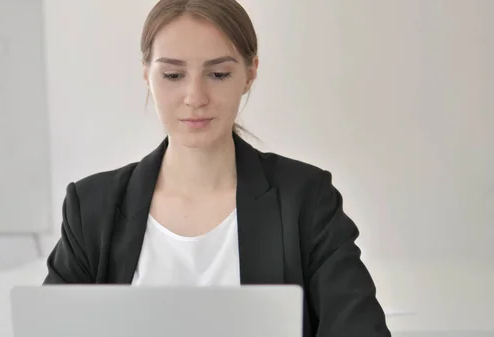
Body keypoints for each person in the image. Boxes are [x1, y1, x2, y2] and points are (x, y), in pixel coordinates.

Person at [43, 0, 391, 336]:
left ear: (250, 73)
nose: (195, 97)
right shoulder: (91, 208)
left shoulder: (306, 199)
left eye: (219, 73)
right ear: (147, 75)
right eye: (173, 74)